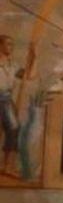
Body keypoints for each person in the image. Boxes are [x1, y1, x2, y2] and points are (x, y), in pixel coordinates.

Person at [0, 35, 22, 176]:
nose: (11, 47)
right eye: (8, 44)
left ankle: (7, 166)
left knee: (13, 129)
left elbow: (28, 76)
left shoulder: (13, 65)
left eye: (12, 44)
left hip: (7, 99)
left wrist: (34, 57)